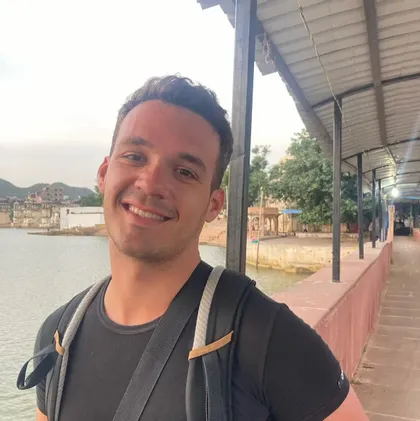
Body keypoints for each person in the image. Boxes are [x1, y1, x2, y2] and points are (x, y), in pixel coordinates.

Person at [33, 75, 367, 420]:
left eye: (184, 172)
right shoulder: (59, 336)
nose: (150, 183)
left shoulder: (265, 337)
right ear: (104, 173)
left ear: (213, 204)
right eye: (134, 156)